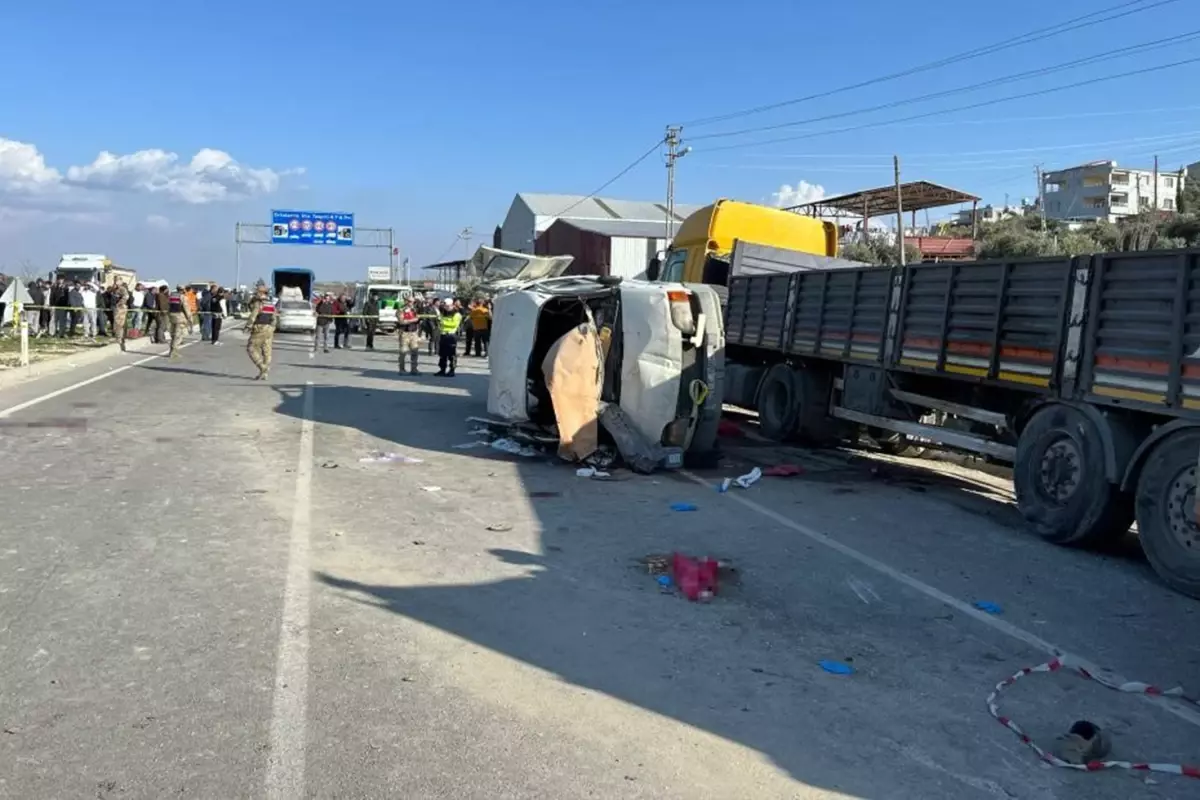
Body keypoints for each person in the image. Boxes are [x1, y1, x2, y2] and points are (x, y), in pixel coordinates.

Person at [245, 285, 277, 380]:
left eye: (257, 291)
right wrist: (273, 327)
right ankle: (264, 374)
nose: (256, 293)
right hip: (269, 328)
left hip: (260, 327)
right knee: (266, 351)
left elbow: (253, 315)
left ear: (261, 292)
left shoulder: (258, 302)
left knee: (251, 348)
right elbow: (274, 316)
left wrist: (248, 326)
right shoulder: (270, 303)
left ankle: (263, 368)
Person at [436, 300, 461, 377]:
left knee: (451, 354)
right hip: (443, 335)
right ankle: (442, 369)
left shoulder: (457, 314)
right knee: (442, 354)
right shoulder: (443, 313)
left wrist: (442, 322)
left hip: (451, 336)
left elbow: (454, 324)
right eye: (445, 306)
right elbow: (439, 323)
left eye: (448, 306)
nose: (446, 307)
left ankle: (452, 370)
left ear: (452, 305)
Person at [166, 285, 192, 359]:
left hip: (171, 316)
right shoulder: (183, 297)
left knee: (173, 335)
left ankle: (171, 351)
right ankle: (173, 353)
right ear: (183, 290)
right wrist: (189, 318)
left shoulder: (171, 296)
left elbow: (168, 307)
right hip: (179, 317)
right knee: (179, 335)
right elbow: (186, 308)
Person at [396, 298, 421, 375]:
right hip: (404, 333)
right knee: (403, 352)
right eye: (410, 301)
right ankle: (402, 369)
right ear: (406, 301)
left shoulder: (415, 310)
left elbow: (419, 320)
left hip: (413, 332)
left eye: (413, 302)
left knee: (415, 352)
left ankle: (414, 369)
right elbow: (401, 321)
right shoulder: (401, 310)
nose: (412, 303)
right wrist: (413, 320)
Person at [111, 280, 130, 351]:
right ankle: (119, 338)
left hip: (121, 309)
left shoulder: (122, 289)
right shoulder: (115, 290)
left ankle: (120, 339)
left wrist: (119, 303)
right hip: (117, 308)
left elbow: (126, 297)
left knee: (119, 324)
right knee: (116, 324)